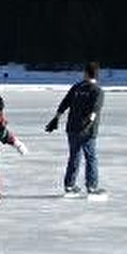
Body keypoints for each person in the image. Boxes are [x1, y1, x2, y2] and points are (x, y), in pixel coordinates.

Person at [45, 61, 105, 195]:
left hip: (72, 128)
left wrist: (56, 118)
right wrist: (87, 125)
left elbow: (64, 103)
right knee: (91, 158)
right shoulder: (97, 91)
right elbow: (94, 111)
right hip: (87, 131)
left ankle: (70, 185)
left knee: (74, 156)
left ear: (85, 73)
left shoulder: (77, 87)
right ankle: (92, 186)